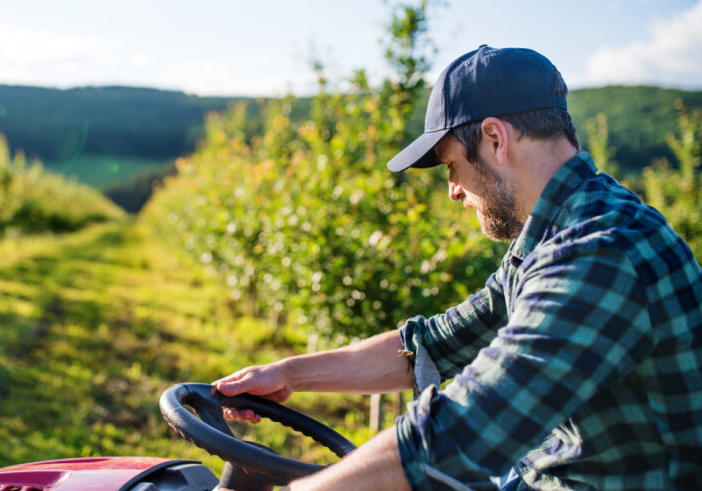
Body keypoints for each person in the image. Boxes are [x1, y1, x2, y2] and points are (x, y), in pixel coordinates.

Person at [213, 45, 702, 490]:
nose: (453, 190)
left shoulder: (600, 254)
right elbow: (437, 342)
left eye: (451, 166)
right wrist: (289, 374)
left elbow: (466, 430)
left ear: (495, 139)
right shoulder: (555, 230)